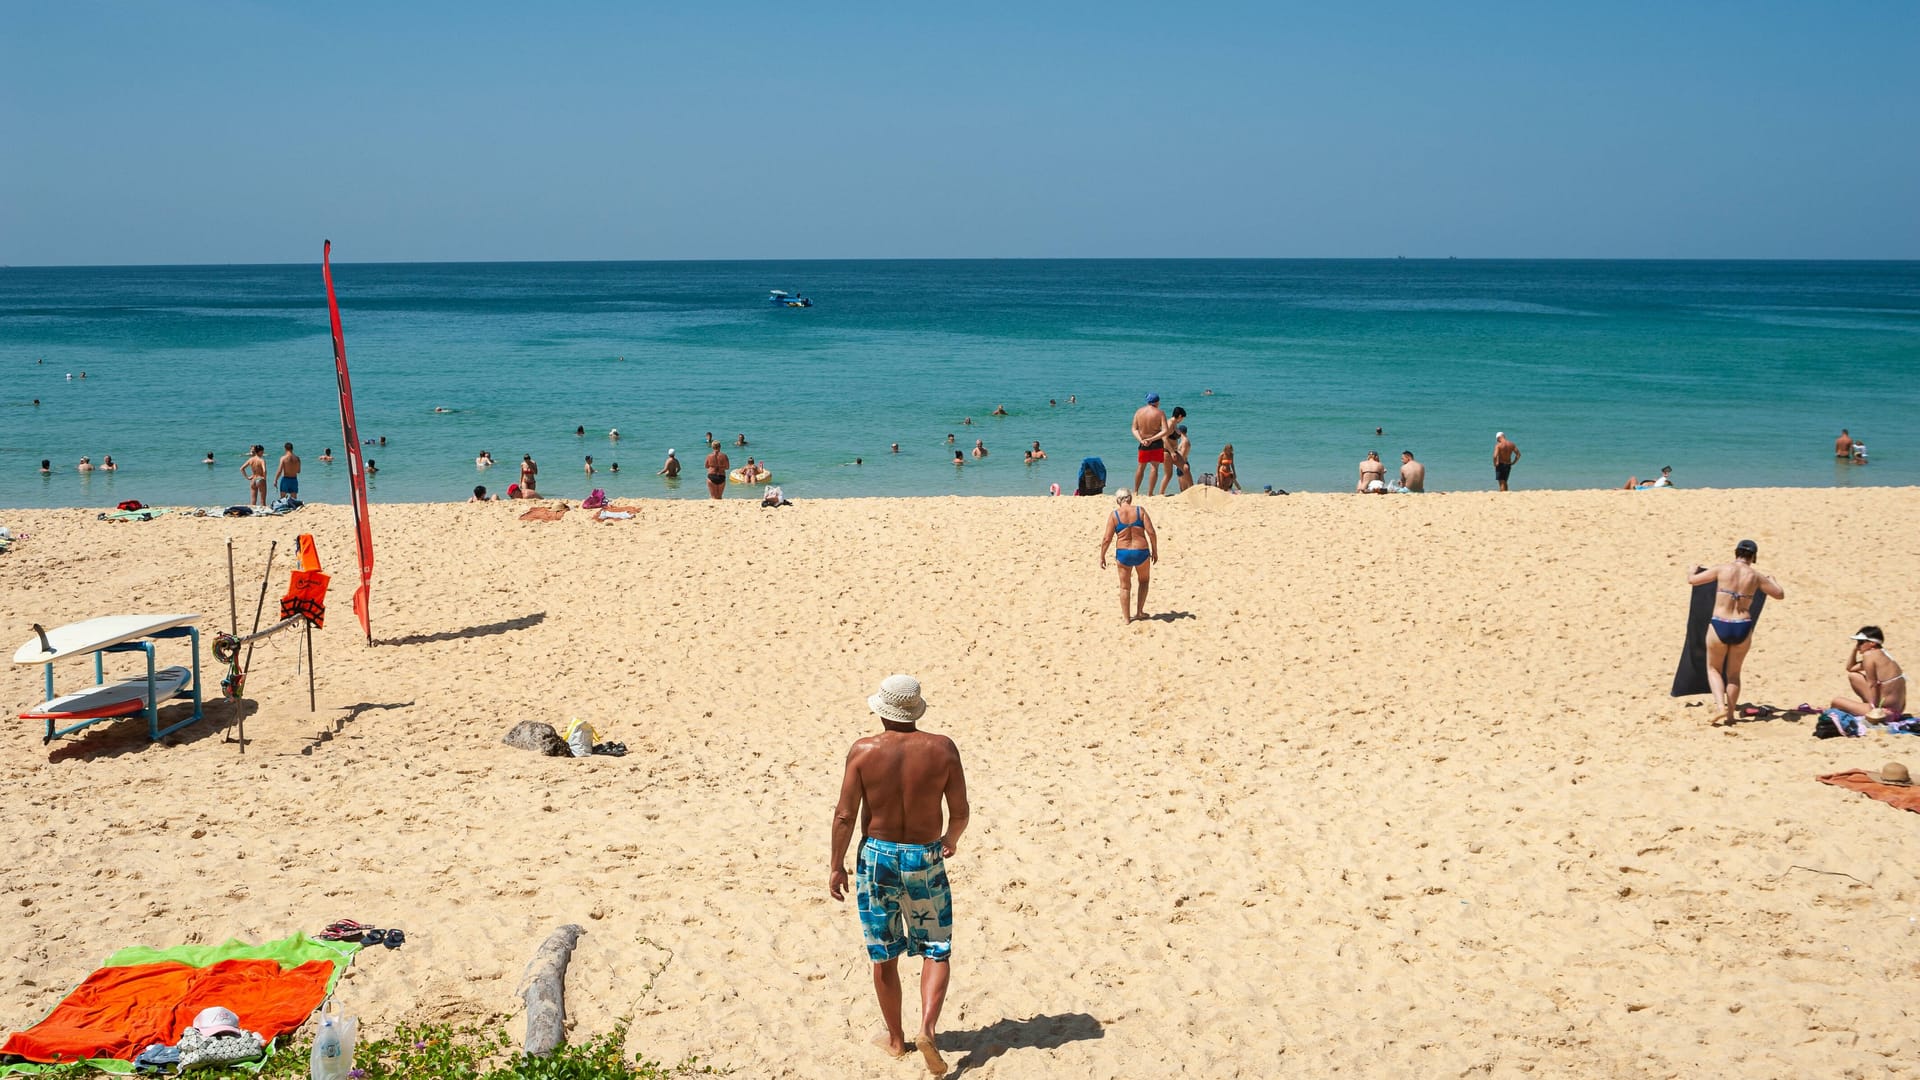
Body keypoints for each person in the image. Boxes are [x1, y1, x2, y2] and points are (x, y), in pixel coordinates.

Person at [828, 674, 969, 1075]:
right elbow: (959, 811)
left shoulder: (863, 750)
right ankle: (927, 1027)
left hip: (878, 857)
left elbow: (844, 814)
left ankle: (895, 1038)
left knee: (884, 952)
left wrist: (837, 865)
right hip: (924, 856)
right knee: (936, 946)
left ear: (881, 709)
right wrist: (951, 839)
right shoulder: (942, 749)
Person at [1687, 540, 1786, 726]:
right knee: (1734, 674)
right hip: (1742, 625)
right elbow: (1779, 594)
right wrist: (1773, 580)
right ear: (1753, 557)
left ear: (1736, 553)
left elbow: (1693, 581)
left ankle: (1720, 707)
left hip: (1720, 623)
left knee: (1714, 669)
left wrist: (1692, 569)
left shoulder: (1722, 569)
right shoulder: (1756, 576)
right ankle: (1731, 715)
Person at [1099, 489, 1160, 624]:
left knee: (1124, 586)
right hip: (1141, 551)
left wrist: (1102, 555)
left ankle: (1127, 618)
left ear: (1118, 501)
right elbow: (1151, 532)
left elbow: (1106, 539)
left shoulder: (1114, 515)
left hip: (1123, 553)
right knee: (1143, 581)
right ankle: (1139, 612)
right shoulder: (1140, 511)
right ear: (1130, 499)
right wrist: (1155, 550)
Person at [1835, 627, 1905, 720]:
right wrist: (1855, 650)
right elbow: (1850, 668)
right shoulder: (1882, 655)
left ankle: (1870, 708)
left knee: (1836, 701)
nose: (1858, 645)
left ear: (1872, 643)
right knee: (1854, 676)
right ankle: (1869, 706)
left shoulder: (1869, 655)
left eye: (1861, 642)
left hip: (1885, 712)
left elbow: (1872, 684)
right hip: (1898, 709)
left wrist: (1873, 709)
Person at [1131, 393, 1170, 495]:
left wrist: (1141, 440)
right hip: (1156, 442)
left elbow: (1134, 429)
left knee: (1141, 467)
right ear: (1157, 402)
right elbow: (1165, 431)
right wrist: (1152, 439)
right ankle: (1150, 492)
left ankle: (1135, 491)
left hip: (1143, 442)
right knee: (1154, 467)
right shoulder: (1160, 413)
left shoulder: (1139, 412)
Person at [1170, 424, 1194, 491]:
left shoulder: (1184, 441)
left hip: (1182, 464)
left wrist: (1174, 453)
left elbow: (1182, 455)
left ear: (1180, 432)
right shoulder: (1184, 440)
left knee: (1184, 488)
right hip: (1181, 464)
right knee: (1182, 488)